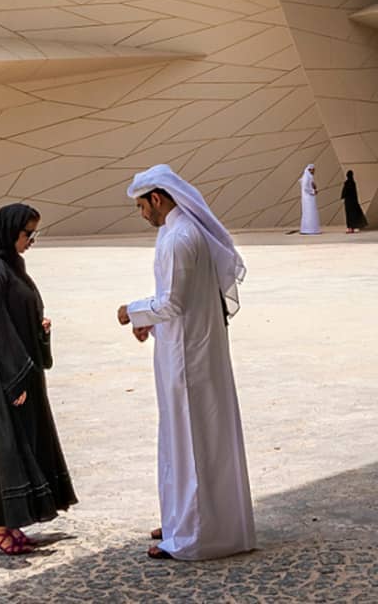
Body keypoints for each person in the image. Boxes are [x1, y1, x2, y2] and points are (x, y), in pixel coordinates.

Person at [119, 165, 256, 561]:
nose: (142, 214)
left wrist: (132, 312)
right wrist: (151, 325)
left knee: (192, 438)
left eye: (141, 206)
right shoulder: (178, 233)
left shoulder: (178, 237)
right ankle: (184, 517)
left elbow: (172, 303)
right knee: (186, 437)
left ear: (156, 199)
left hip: (188, 360)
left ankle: (194, 535)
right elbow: (184, 300)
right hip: (184, 347)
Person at [0, 203, 77, 555]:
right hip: (1, 374)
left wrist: (39, 331)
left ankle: (10, 524)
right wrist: (15, 382)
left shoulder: (13, 267)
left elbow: (19, 314)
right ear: (8, 231)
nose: (31, 240)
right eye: (26, 233)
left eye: (34, 234)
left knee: (26, 441)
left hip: (22, 368)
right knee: (9, 448)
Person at [297, 164, 321, 235]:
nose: (314, 171)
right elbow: (305, 188)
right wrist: (313, 191)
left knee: (312, 213)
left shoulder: (310, 177)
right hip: (307, 199)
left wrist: (314, 186)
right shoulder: (306, 177)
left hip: (310, 198)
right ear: (309, 169)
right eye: (313, 169)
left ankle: (312, 229)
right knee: (309, 213)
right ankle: (308, 229)